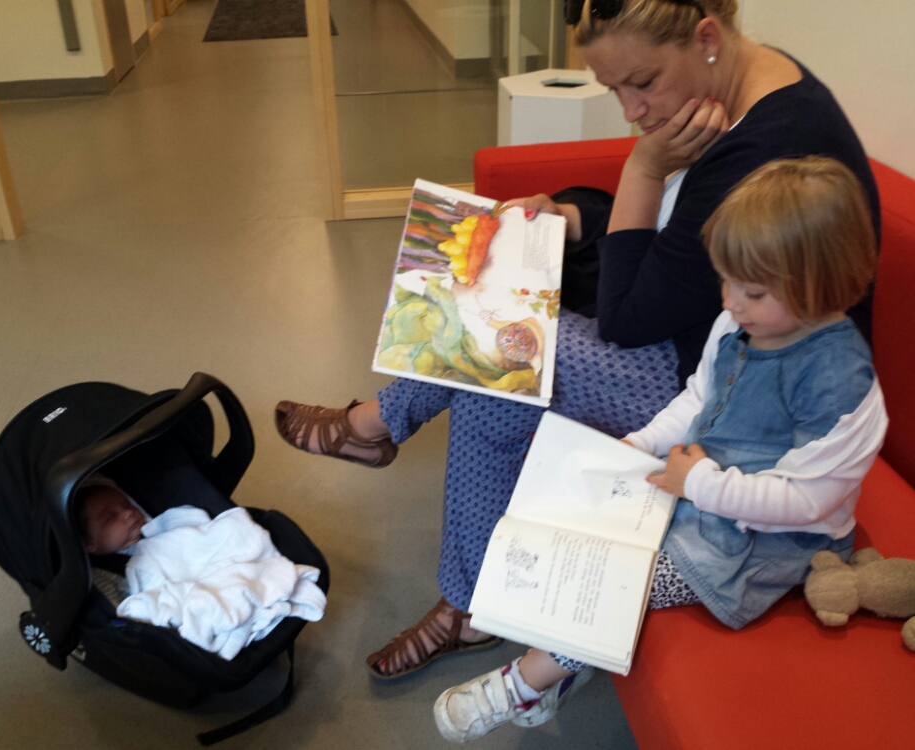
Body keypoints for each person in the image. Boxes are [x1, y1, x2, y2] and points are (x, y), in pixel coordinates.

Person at [274, 0, 881, 679]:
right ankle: (455, 580)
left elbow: (628, 316)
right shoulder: (740, 90)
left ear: (707, 37)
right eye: (614, 87)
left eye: (642, 82)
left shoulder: (766, 146)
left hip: (741, 389)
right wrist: (569, 216)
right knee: (497, 354)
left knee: (506, 354)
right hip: (715, 348)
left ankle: (382, 438)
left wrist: (643, 170)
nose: (631, 110)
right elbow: (673, 240)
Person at [434, 155, 887, 741]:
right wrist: (643, 443)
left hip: (766, 541)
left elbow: (808, 502)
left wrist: (699, 484)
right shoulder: (742, 322)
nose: (730, 302)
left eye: (751, 291)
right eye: (725, 281)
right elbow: (699, 396)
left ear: (818, 285)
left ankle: (523, 685)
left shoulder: (841, 384)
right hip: (698, 486)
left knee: (618, 585)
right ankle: (559, 670)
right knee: (573, 530)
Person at [76, 479, 326, 659]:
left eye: (126, 504)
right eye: (110, 518)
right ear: (90, 546)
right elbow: (155, 604)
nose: (127, 514)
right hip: (203, 588)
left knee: (238, 528)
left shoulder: (165, 525)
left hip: (223, 562)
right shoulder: (120, 574)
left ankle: (254, 582)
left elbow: (206, 532)